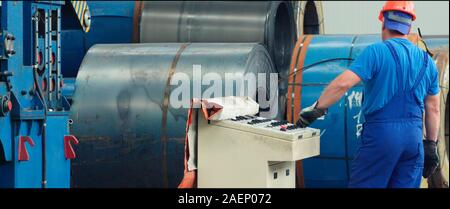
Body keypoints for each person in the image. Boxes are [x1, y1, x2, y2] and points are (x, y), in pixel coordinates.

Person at [296, 1, 440, 188]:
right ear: (409, 26)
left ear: (383, 22)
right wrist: (431, 145)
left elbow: (342, 83)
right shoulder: (427, 62)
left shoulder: (376, 52)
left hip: (381, 137)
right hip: (413, 140)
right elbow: (434, 108)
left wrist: (316, 109)